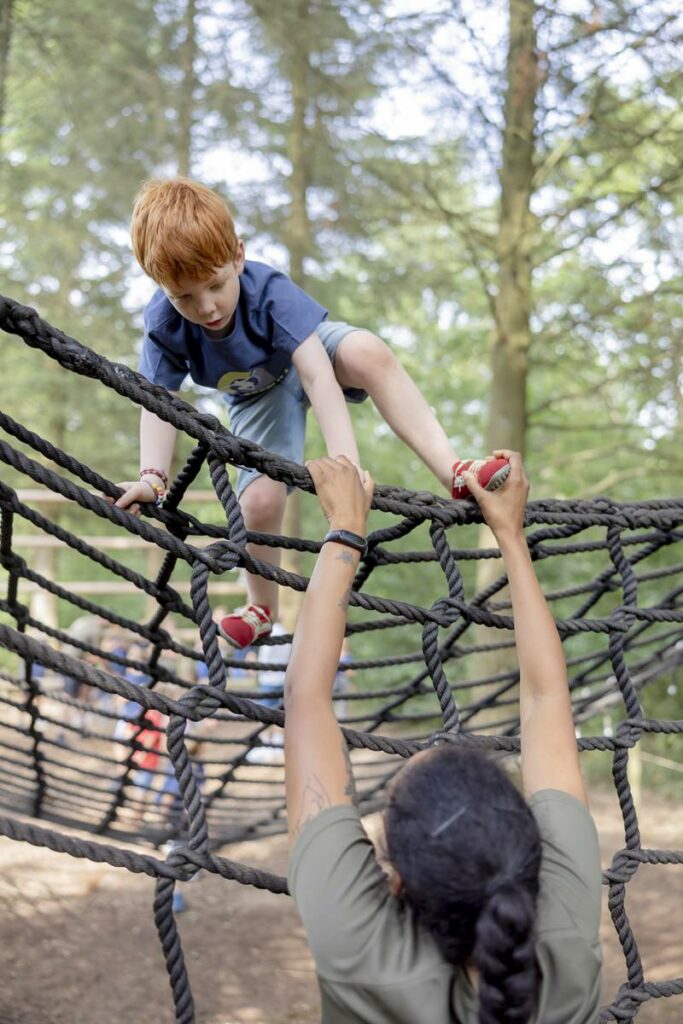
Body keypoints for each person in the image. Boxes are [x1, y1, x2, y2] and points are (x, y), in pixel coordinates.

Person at [110, 177, 510, 648]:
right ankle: (261, 607)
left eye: (216, 285)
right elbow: (159, 401)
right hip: (258, 397)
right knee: (258, 503)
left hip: (307, 355)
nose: (207, 307)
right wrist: (153, 477)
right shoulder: (164, 323)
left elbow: (319, 376)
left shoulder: (269, 294)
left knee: (369, 353)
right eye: (185, 297)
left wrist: (346, 470)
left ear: (238, 256)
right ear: (161, 287)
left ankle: (454, 470)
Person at [285, 452, 603, 1024]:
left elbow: (307, 704)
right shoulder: (566, 940)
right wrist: (512, 535)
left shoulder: (358, 949)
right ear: (531, 842)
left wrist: (344, 534)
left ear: (397, 881)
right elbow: (548, 699)